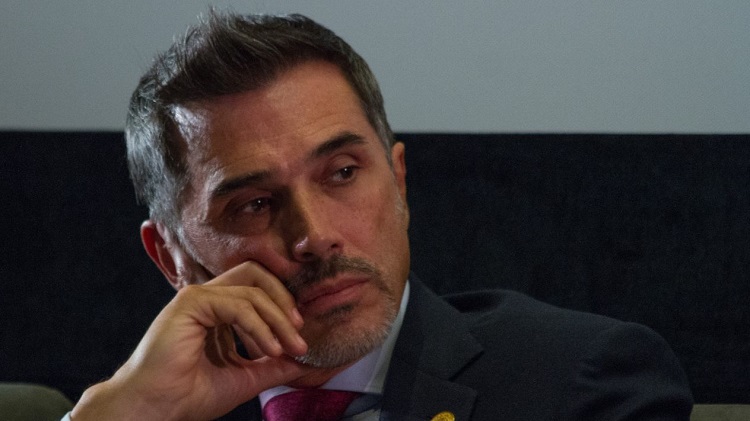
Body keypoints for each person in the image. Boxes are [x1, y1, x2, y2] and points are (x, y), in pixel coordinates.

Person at [67, 11, 693, 421]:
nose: (315, 237)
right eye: (255, 205)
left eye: (342, 173)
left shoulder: (580, 381)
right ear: (172, 257)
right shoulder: (157, 411)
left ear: (398, 181)